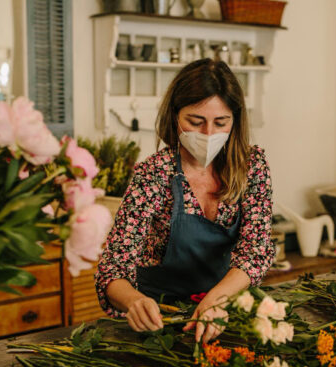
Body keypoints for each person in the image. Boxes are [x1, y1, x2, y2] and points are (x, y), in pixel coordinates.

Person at [94, 58, 274, 343]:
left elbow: (256, 250)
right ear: (175, 115)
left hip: (222, 315)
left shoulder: (251, 166)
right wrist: (133, 302)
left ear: (235, 121)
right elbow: (113, 267)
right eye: (196, 121)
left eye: (221, 122)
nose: (208, 134)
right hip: (160, 321)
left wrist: (218, 299)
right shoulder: (153, 174)